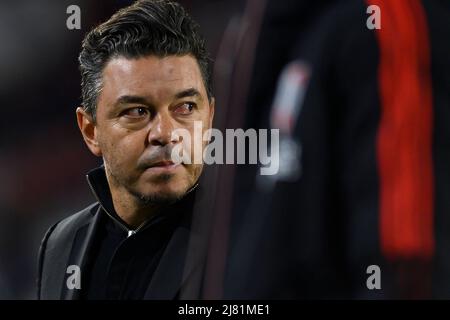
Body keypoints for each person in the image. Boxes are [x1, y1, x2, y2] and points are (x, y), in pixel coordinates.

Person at [37, 0, 214, 300]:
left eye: (185, 107)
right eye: (136, 111)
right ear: (90, 131)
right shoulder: (60, 244)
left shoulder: (247, 235)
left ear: (209, 118)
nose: (165, 134)